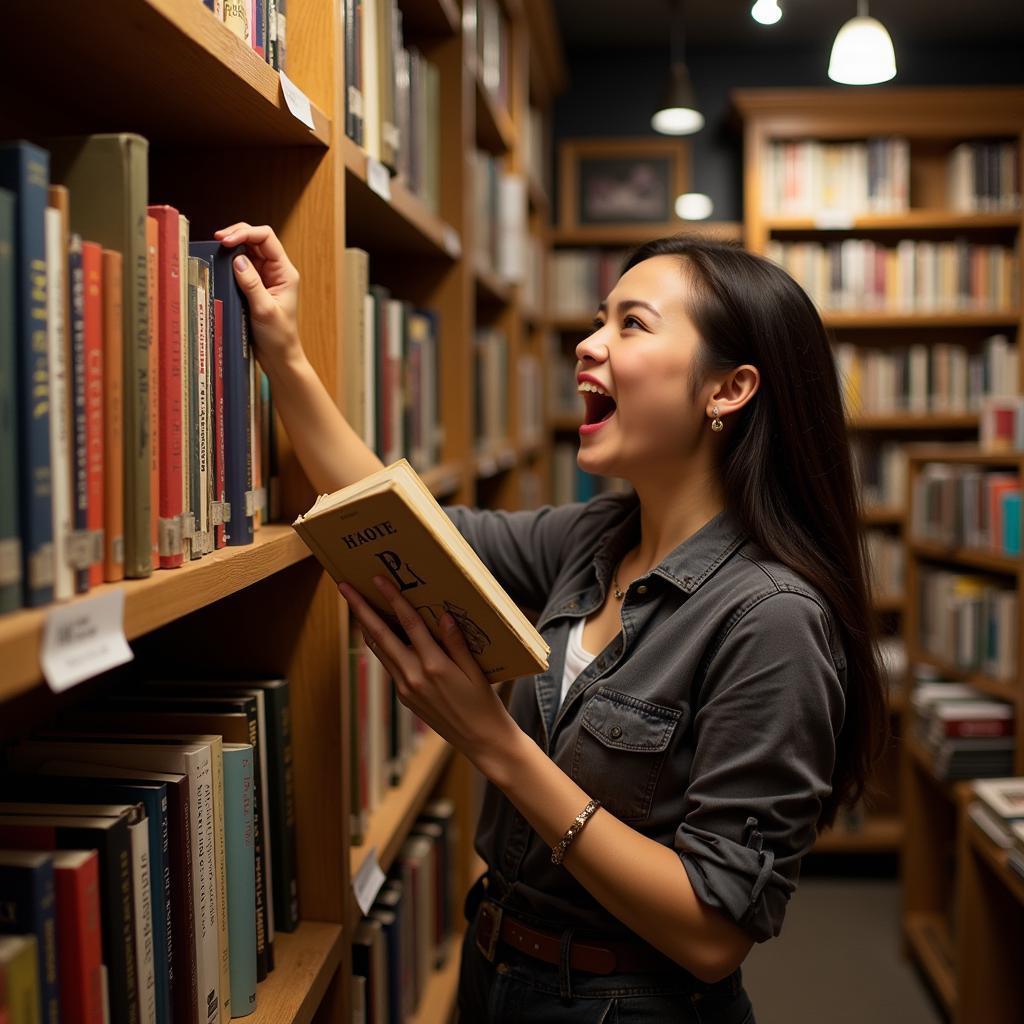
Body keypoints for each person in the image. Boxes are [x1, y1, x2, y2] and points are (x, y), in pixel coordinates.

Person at [214, 223, 888, 1023]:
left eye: (631, 324)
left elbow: (714, 934)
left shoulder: (774, 619)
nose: (588, 344)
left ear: (727, 390)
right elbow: (396, 524)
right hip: (496, 967)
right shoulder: (594, 538)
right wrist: (283, 351)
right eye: (600, 318)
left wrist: (491, 742)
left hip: (629, 1005)